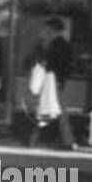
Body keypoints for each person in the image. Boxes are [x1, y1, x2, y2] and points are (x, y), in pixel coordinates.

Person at [27, 17, 75, 150]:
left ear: (52, 29)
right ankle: (66, 141)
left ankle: (35, 139)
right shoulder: (61, 44)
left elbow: (50, 63)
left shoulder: (56, 45)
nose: (44, 31)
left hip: (53, 82)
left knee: (48, 110)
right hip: (55, 81)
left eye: (46, 28)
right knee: (54, 110)